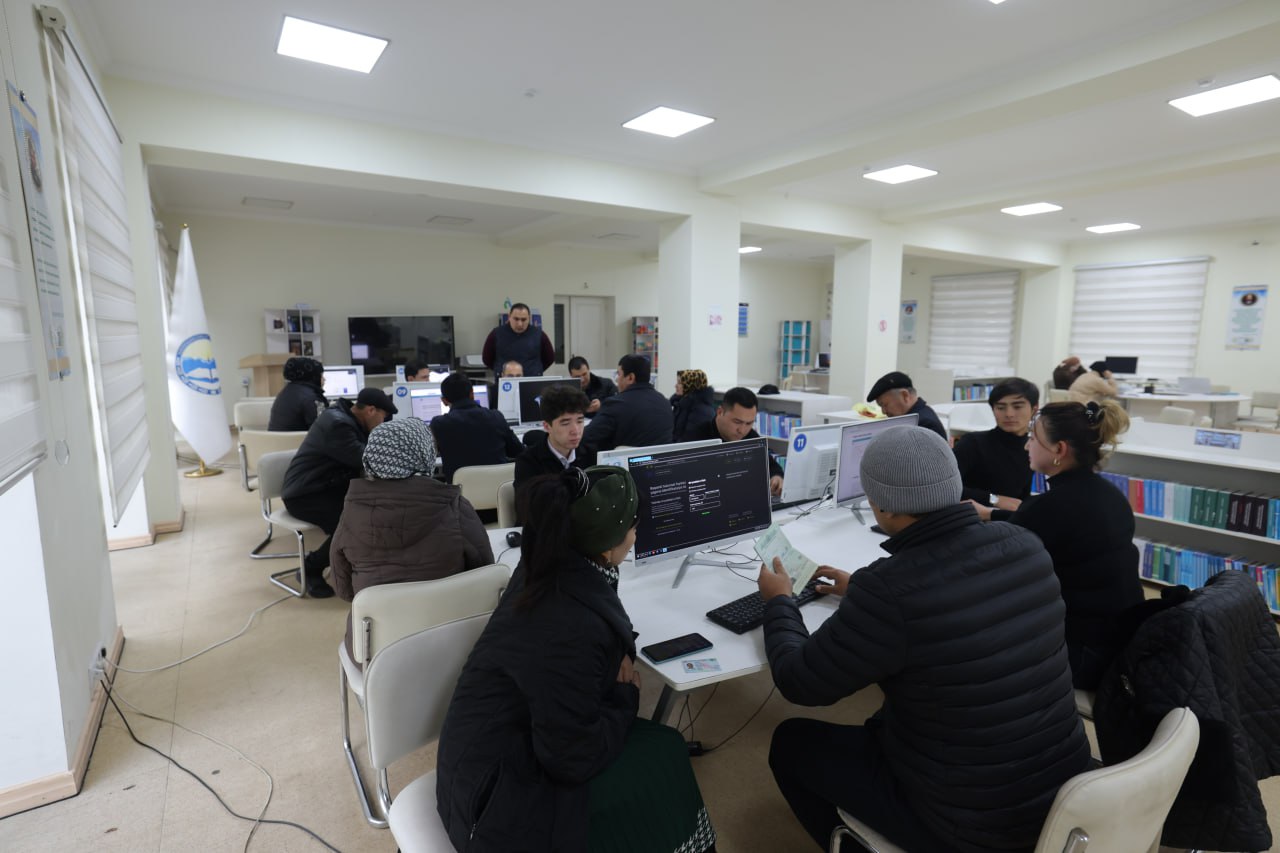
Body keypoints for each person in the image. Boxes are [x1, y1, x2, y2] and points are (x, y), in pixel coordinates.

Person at [758, 427, 1090, 852]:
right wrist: (861, 590)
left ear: (880, 504)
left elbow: (799, 682)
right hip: (1063, 790)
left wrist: (779, 602)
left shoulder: (889, 590)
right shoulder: (1024, 543)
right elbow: (955, 598)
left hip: (973, 821)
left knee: (791, 742)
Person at [436, 467, 716, 852]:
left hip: (484, 761)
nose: (635, 537)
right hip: (492, 809)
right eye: (633, 528)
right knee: (664, 759)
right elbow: (573, 758)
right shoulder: (571, 625)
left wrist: (613, 655)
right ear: (608, 545)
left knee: (662, 750)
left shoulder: (546, 565)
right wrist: (626, 696)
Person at [974, 400, 1143, 690]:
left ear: (1059, 450)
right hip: (1120, 642)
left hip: (1084, 655)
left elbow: (990, 562)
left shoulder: (1050, 507)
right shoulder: (1108, 494)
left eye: (1033, 438)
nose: (1027, 446)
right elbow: (1049, 524)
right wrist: (991, 513)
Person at [329, 418, 493, 664]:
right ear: (425, 454)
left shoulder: (350, 513)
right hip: (449, 647)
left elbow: (343, 589)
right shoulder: (456, 507)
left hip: (377, 655)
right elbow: (484, 574)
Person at [281, 387, 398, 597]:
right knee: (354, 525)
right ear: (371, 410)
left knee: (374, 511)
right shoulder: (338, 424)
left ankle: (354, 564)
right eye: (383, 417)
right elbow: (365, 459)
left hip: (327, 486)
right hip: (306, 494)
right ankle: (310, 568)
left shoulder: (349, 419)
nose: (383, 423)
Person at [953, 377, 1039, 510]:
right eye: (1001, 407)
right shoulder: (972, 443)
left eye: (1017, 407)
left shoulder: (1032, 449)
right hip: (970, 515)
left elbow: (1021, 500)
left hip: (1008, 518)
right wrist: (994, 499)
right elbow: (946, 487)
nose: (1009, 414)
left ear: (1034, 409)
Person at [682, 386, 784, 496]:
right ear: (720, 412)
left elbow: (771, 465)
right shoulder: (695, 438)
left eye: (749, 423)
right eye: (737, 422)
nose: (742, 430)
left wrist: (776, 477)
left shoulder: (751, 437)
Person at [431, 372, 523, 482]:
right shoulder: (496, 417)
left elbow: (431, 456)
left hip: (461, 489)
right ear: (472, 394)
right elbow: (517, 451)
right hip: (498, 487)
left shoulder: (439, 424)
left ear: (444, 401)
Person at [582, 354, 674, 451]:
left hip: (624, 460)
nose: (617, 379)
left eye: (619, 374)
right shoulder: (665, 403)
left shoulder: (615, 404)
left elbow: (587, 437)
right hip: (661, 460)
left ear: (630, 378)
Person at [513, 384, 597, 490]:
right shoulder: (528, 463)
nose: (575, 431)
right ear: (547, 426)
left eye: (580, 421)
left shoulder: (591, 454)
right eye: (565, 423)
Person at [865, 371, 947, 439]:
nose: (883, 411)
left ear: (905, 395)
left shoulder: (923, 425)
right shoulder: (919, 416)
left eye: (885, 405)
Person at [481, 302, 554, 377]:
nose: (520, 324)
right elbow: (487, 358)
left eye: (523, 320)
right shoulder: (496, 334)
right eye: (516, 319)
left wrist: (536, 371)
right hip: (505, 380)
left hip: (531, 379)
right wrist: (499, 370)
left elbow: (550, 358)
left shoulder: (539, 335)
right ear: (509, 317)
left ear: (529, 318)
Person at [268, 356, 327, 431]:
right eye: (321, 376)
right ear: (314, 377)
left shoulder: (285, 392)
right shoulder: (311, 398)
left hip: (278, 438)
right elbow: (323, 428)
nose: (324, 379)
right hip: (300, 438)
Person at [670, 368, 716, 441]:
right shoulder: (681, 404)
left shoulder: (701, 411)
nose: (676, 385)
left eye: (679, 383)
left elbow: (689, 439)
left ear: (690, 385)